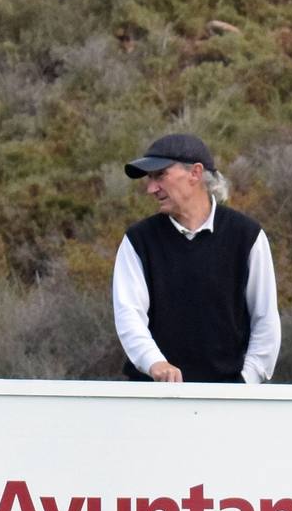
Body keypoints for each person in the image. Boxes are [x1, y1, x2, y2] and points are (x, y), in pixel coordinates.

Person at [112, 133, 280, 384]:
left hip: (227, 402)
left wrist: (245, 383)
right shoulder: (138, 240)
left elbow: (265, 319)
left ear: (195, 173)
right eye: (149, 179)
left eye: (160, 176)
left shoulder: (247, 236)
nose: (151, 188)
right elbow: (129, 315)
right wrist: (155, 363)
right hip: (151, 399)